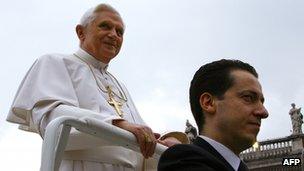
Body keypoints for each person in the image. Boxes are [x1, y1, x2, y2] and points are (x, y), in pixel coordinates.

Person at [7, 3, 187, 171]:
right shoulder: (55, 62)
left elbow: (139, 146)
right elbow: (54, 122)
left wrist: (162, 145)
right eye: (105, 26)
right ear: (81, 32)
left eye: (120, 31)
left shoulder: (120, 86)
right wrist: (119, 125)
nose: (114, 34)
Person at [158, 59, 269, 171]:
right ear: (208, 103)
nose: (264, 112)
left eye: (261, 101)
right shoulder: (182, 161)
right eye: (248, 97)